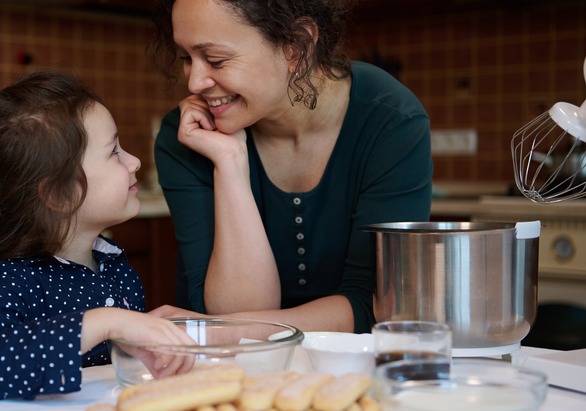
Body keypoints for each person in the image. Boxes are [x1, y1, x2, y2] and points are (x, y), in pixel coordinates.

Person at [149, 0, 433, 334]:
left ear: (296, 46)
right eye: (186, 58)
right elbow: (232, 314)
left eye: (215, 60)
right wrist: (230, 162)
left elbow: (377, 307)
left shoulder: (391, 122)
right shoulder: (186, 136)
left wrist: (219, 329)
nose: (194, 83)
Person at [0, 70, 194, 402]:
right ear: (59, 195)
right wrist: (105, 323)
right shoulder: (8, 280)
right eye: (113, 152)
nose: (134, 161)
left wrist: (148, 346)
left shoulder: (114, 267)